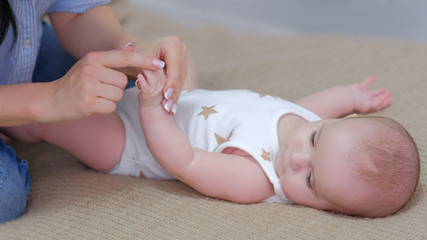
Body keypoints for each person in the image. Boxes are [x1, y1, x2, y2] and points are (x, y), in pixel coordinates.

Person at [5, 68, 420, 218]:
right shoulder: (308, 124)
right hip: (179, 101)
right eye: (315, 140)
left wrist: (150, 111)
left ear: (325, 208)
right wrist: (351, 96)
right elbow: (313, 107)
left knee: (62, 123)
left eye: (309, 179)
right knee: (182, 64)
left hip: (133, 141)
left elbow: (185, 162)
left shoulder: (256, 179)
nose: (296, 157)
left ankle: (15, 124)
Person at [0, 0, 188, 222]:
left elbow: (75, 14)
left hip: (13, 45)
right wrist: (47, 99)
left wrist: (129, 50)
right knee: (6, 197)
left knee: (123, 87)